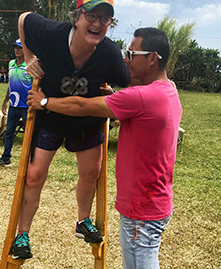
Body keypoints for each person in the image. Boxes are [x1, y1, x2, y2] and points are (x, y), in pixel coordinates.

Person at [28, 27, 182, 269]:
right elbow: (139, 113)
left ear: (152, 58)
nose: (125, 61)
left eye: (132, 54)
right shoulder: (169, 90)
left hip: (141, 209)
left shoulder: (141, 97)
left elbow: (81, 106)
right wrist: (113, 94)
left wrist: (45, 102)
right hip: (157, 203)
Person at [11, 0, 131, 260]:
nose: (98, 24)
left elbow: (128, 80)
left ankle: (82, 221)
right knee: (34, 175)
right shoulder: (50, 35)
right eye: (91, 15)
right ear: (77, 17)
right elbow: (23, 18)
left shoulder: (110, 54)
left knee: (92, 172)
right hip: (49, 116)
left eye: (105, 19)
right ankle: (22, 234)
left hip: (86, 120)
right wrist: (29, 58)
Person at [0, 39, 32, 167]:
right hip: (13, 106)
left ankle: (31, 162)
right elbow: (10, 85)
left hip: (27, 107)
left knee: (29, 135)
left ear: (25, 49)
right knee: (9, 132)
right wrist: (5, 102)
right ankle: (6, 157)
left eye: (19, 47)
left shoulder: (30, 65)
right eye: (15, 47)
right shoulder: (11, 64)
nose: (17, 50)